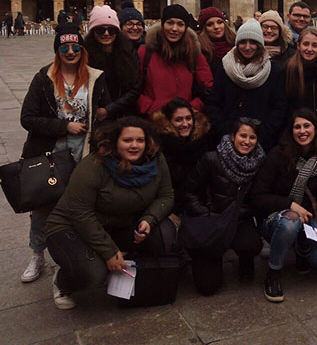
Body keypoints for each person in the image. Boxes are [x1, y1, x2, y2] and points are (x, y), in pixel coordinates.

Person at [45, 117, 175, 309]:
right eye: (127, 140)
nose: (134, 145)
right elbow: (80, 213)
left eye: (140, 140)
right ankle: (63, 280)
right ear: (115, 141)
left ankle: (127, 267)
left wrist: (149, 219)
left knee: (165, 233)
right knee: (93, 274)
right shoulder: (95, 165)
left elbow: (166, 196)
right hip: (71, 226)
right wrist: (109, 251)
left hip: (119, 223)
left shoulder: (157, 160)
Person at [18, 23, 111, 285]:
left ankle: (70, 256)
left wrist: (104, 114)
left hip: (84, 153)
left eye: (75, 47)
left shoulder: (95, 77)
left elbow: (106, 109)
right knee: (42, 208)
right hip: (48, 154)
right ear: (57, 50)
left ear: (82, 49)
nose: (70, 52)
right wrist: (63, 126)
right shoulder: (43, 78)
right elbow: (28, 118)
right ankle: (37, 254)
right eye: (64, 47)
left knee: (80, 207)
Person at [251, 109, 317, 302]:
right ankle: (273, 273)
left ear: (315, 129)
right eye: (297, 127)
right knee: (292, 219)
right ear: (291, 131)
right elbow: (257, 196)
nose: (302, 131)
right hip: (275, 220)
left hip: (310, 223)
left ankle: (302, 248)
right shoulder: (278, 155)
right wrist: (290, 204)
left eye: (307, 126)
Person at [184, 118, 266, 294]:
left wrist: (243, 212)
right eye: (242, 135)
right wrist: (205, 212)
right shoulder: (211, 158)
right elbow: (190, 191)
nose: (247, 141)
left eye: (252, 137)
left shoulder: (260, 161)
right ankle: (213, 258)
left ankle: (246, 261)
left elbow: (259, 196)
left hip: (238, 219)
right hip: (211, 219)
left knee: (251, 245)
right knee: (207, 288)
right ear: (232, 136)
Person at [206, 19, 287, 151]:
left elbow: (279, 108)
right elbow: (214, 103)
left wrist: (263, 135)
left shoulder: (274, 71)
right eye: (243, 42)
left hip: (263, 142)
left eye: (253, 42)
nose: (247, 47)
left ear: (260, 45)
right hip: (228, 140)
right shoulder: (225, 68)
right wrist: (227, 132)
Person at [137, 4, 213, 116]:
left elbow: (208, 88)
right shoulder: (145, 52)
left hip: (184, 123)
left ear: (185, 28)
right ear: (163, 24)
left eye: (180, 24)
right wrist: (151, 109)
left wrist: (190, 109)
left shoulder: (194, 53)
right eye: (170, 23)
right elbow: (134, 89)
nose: (174, 29)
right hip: (154, 121)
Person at [152, 97, 212, 220]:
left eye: (188, 118)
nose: (185, 124)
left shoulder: (204, 143)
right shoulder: (159, 147)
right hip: (172, 209)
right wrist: (166, 213)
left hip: (201, 206)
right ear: (168, 122)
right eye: (178, 120)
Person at [84, 5, 140, 119]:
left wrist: (109, 109)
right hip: (95, 117)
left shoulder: (128, 54)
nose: (106, 33)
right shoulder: (84, 56)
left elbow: (136, 88)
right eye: (100, 30)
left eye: (111, 29)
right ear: (93, 32)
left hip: (124, 114)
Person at [197, 6, 236, 74]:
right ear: (204, 29)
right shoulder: (199, 50)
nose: (216, 27)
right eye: (210, 24)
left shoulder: (236, 44)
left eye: (219, 22)